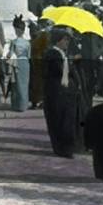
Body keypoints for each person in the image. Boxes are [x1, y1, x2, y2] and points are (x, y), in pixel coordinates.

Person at [42, 28, 79, 158]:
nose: (67, 42)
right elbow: (57, 71)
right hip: (56, 93)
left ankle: (67, 148)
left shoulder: (62, 54)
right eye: (65, 39)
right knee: (58, 120)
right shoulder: (51, 54)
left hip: (66, 93)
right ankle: (61, 148)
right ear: (58, 40)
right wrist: (70, 61)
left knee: (67, 120)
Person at [2, 16, 31, 112]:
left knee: (17, 85)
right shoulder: (27, 43)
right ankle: (24, 105)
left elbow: (10, 54)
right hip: (26, 63)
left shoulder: (14, 42)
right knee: (25, 84)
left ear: (17, 30)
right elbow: (29, 55)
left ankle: (17, 105)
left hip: (18, 63)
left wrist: (6, 57)